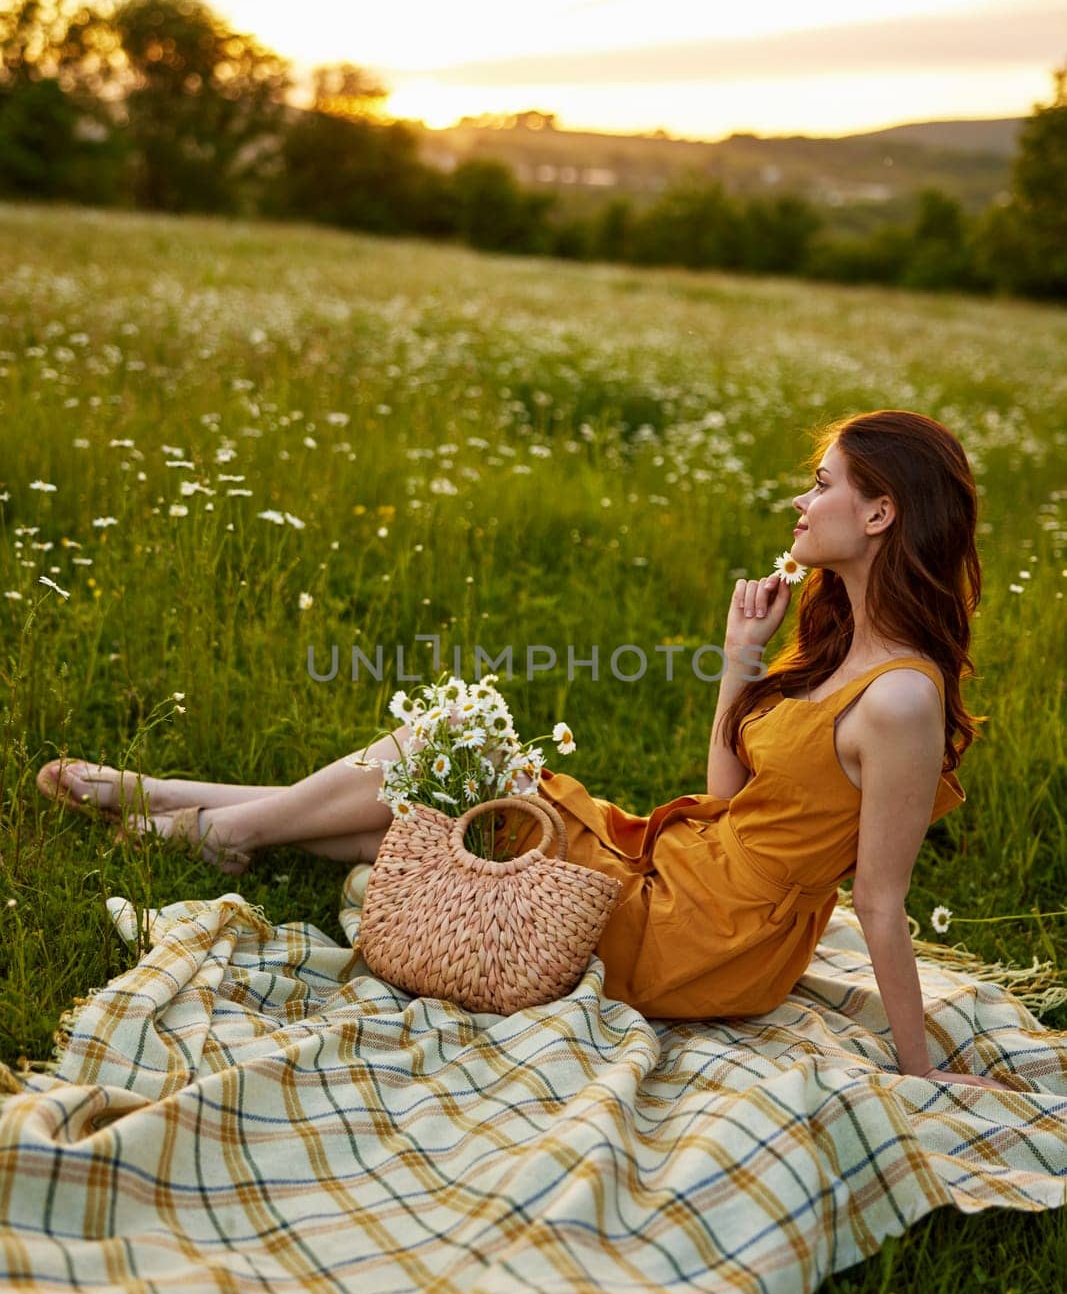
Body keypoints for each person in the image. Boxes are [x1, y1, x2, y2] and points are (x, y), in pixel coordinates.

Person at [36, 409, 1013, 1093]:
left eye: (820, 484)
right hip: (683, 869)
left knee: (451, 754)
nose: (800, 502)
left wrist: (918, 1072)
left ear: (878, 512)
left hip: (708, 938)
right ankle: (183, 806)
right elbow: (724, 799)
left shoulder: (898, 701)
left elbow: (877, 901)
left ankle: (210, 825)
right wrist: (738, 658)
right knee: (434, 806)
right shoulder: (832, 644)